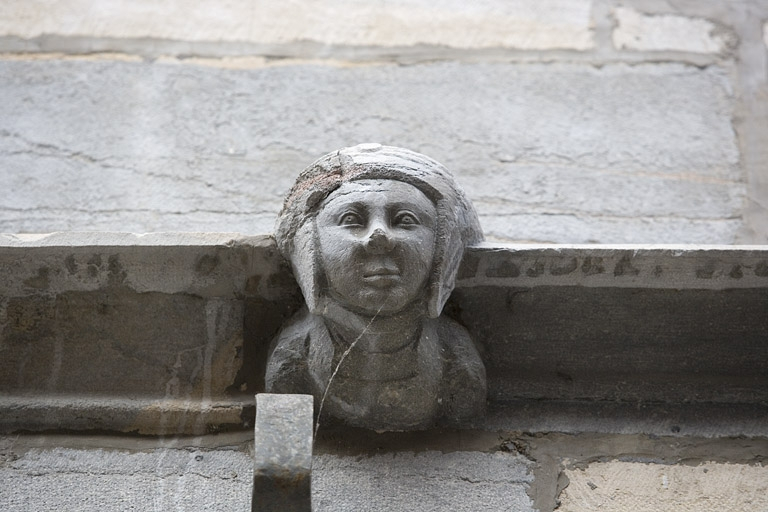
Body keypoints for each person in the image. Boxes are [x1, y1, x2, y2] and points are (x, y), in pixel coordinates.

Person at [265, 143, 486, 430]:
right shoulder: (296, 355)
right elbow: (283, 451)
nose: (379, 237)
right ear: (311, 249)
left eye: (405, 220)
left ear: (442, 252)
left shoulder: (455, 359)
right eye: (351, 220)